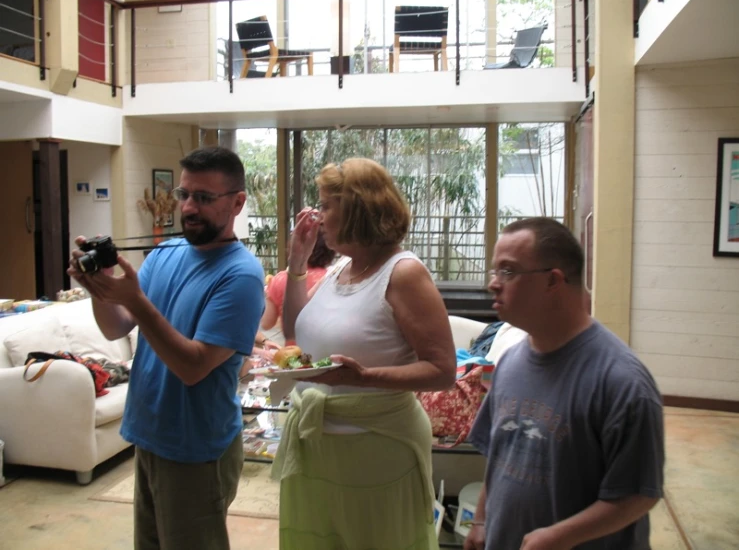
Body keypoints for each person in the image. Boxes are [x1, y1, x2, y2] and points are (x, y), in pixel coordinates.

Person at [67, 146, 265, 550]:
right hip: (149, 434)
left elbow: (193, 366)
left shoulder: (241, 274)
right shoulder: (165, 254)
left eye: (204, 198)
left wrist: (136, 300)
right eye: (184, 194)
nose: (189, 207)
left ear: (238, 202)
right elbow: (115, 326)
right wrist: (98, 285)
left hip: (197, 447)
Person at [271, 158, 456, 550]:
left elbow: (442, 371)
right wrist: (296, 263)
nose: (318, 216)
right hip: (317, 446)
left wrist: (364, 378)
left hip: (377, 448)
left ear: (355, 209)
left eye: (325, 205)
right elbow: (294, 333)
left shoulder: (403, 273)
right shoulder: (342, 268)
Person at [463, 217, 664, 550]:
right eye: (494, 271)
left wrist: (561, 536)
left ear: (553, 281)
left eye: (508, 272)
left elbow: (639, 494)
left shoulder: (622, 383)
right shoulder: (510, 363)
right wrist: (482, 520)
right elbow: (500, 458)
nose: (493, 284)